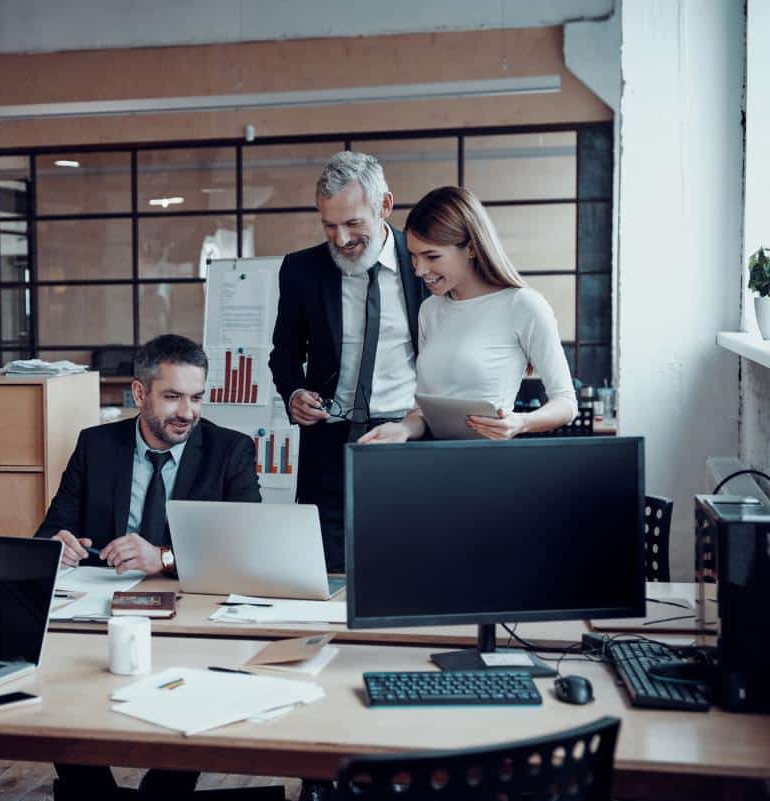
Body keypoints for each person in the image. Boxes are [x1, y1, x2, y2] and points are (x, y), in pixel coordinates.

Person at [35, 333, 260, 801]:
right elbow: (50, 530)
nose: (187, 412)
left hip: (189, 615)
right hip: (101, 610)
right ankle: (92, 789)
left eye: (197, 398)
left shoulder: (229, 451)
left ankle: (166, 789)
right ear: (140, 394)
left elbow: (243, 550)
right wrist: (59, 543)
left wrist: (164, 558)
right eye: (173, 397)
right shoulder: (96, 445)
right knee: (55, 681)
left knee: (198, 690)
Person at [268, 151, 427, 573]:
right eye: (329, 225)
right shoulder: (302, 270)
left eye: (353, 223)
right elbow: (283, 353)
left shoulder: (424, 265)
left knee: (405, 566)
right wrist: (294, 392)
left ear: (385, 206)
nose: (340, 239)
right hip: (328, 447)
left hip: (405, 439)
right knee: (328, 571)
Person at [359, 186, 576, 443]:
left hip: (487, 462)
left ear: (471, 248)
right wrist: (404, 429)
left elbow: (566, 403)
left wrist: (520, 422)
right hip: (431, 462)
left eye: (432, 256)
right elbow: (425, 412)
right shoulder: (430, 310)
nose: (419, 270)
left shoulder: (523, 305)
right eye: (414, 257)